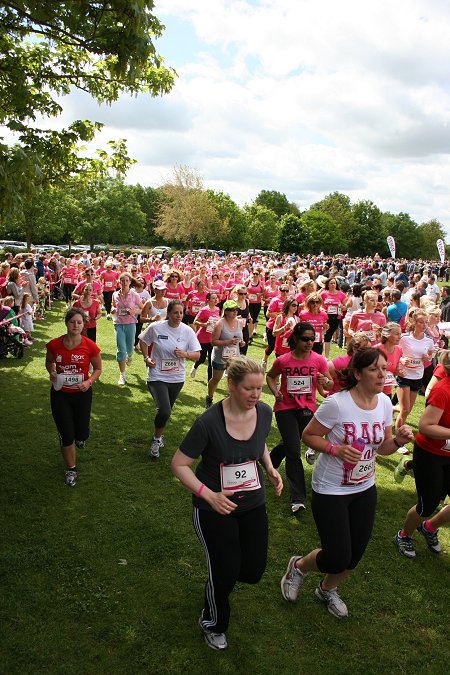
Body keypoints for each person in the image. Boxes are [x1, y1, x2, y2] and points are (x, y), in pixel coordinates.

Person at [280, 348, 413, 618]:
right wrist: (335, 449)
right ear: (357, 373)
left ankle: (327, 589)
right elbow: (309, 435)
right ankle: (299, 567)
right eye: (375, 369)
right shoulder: (337, 404)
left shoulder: (385, 403)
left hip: (364, 487)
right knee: (337, 555)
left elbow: (383, 447)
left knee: (354, 556)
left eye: (384, 368)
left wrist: (398, 440)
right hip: (331, 489)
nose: (382, 374)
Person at [171, 356, 283, 651]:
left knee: (252, 571)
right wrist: (209, 495)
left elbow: (258, 444)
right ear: (231, 386)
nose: (256, 395)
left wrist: (269, 467)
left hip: (252, 503)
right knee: (224, 570)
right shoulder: (208, 422)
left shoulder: (264, 412)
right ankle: (213, 622)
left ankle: (218, 586)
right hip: (213, 508)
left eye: (259, 389)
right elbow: (179, 464)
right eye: (249, 389)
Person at [266, 322, 332, 512]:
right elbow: (270, 376)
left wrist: (324, 380)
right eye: (306, 339)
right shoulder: (283, 360)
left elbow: (329, 384)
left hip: (306, 409)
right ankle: (297, 498)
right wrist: (275, 391)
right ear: (295, 338)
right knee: (294, 451)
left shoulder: (318, 360)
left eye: (313, 339)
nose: (310, 342)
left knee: (291, 442)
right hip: (285, 408)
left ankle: (271, 459)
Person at [393, 362, 450, 559]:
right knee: (428, 504)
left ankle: (429, 527)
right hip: (430, 454)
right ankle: (403, 535)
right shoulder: (443, 390)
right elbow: (425, 426)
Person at [45, 307, 102, 487]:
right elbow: (49, 362)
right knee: (66, 433)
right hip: (60, 394)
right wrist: (52, 372)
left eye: (79, 322)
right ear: (66, 323)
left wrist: (89, 381)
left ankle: (81, 436)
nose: (76, 325)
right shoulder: (54, 344)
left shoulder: (90, 345)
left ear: (84, 324)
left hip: (82, 394)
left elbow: (98, 368)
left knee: (81, 432)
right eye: (72, 322)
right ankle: (72, 469)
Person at [139, 300, 201, 458]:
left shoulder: (187, 331)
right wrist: (146, 358)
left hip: (176, 378)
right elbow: (143, 340)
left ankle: (158, 436)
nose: (178, 316)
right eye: (175, 312)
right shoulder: (156, 327)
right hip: (157, 375)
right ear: (169, 313)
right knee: (164, 410)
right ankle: (156, 440)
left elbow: (197, 355)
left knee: (166, 412)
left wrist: (185, 354)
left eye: (181, 313)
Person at [396, 310, 434, 429]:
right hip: (404, 375)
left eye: (426, 322)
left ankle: (391, 408)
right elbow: (395, 354)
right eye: (421, 322)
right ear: (414, 323)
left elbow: (430, 356)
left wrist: (428, 357)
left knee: (408, 409)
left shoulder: (429, 341)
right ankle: (399, 439)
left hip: (417, 376)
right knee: (405, 409)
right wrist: (401, 360)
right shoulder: (404, 338)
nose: (424, 325)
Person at [205, 299, 246, 409]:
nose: (235, 312)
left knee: (234, 380)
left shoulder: (240, 322)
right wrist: (228, 342)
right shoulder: (220, 323)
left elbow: (240, 339)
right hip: (220, 357)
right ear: (226, 311)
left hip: (234, 357)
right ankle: (209, 397)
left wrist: (242, 343)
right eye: (232, 310)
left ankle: (230, 401)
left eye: (236, 310)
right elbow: (213, 342)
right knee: (216, 379)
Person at [111, 273, 143, 385]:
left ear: (130, 282)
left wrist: (134, 311)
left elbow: (142, 309)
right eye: (122, 280)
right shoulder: (115, 294)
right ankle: (122, 375)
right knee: (121, 349)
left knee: (130, 347)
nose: (124, 283)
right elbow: (113, 305)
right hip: (118, 323)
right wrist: (113, 309)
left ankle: (130, 355)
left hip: (130, 324)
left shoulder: (134, 295)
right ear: (119, 282)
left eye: (126, 281)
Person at [191, 291, 220, 381]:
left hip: (213, 338)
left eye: (216, 298)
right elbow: (195, 321)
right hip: (202, 338)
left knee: (211, 361)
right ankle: (195, 366)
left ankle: (209, 382)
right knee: (202, 358)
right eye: (213, 298)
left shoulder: (218, 309)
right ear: (208, 300)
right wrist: (205, 324)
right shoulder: (204, 310)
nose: (216, 300)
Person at [320, 278, 347, 359]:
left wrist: (342, 307)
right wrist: (322, 310)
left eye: (334, 283)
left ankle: (325, 356)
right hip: (325, 317)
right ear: (327, 284)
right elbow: (319, 305)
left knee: (329, 335)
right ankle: (326, 357)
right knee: (326, 336)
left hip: (336, 317)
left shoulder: (341, 294)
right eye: (331, 283)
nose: (333, 285)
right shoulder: (323, 294)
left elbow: (345, 307)